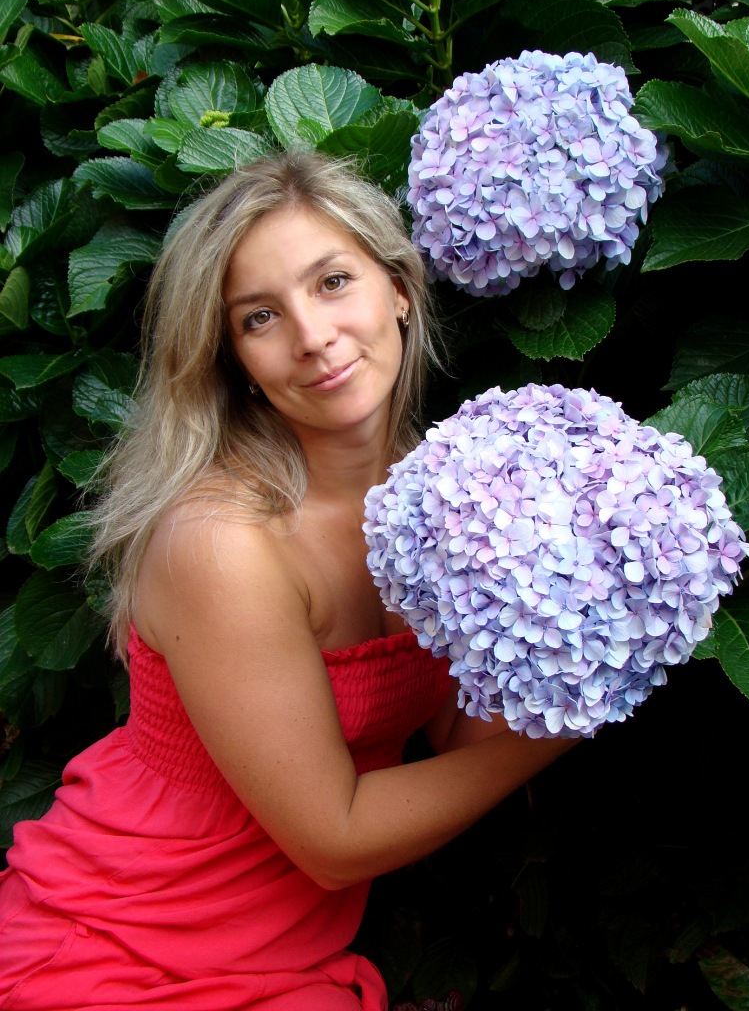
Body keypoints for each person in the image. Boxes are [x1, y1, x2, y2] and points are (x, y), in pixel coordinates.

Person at [0, 151, 576, 1010]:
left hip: (287, 956)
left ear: (399, 290)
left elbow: (457, 737)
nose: (312, 336)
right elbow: (333, 842)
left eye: (333, 282)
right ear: (234, 357)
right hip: (115, 943)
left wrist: (580, 614)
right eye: (260, 317)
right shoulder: (224, 541)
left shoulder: (448, 493)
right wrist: (570, 721)